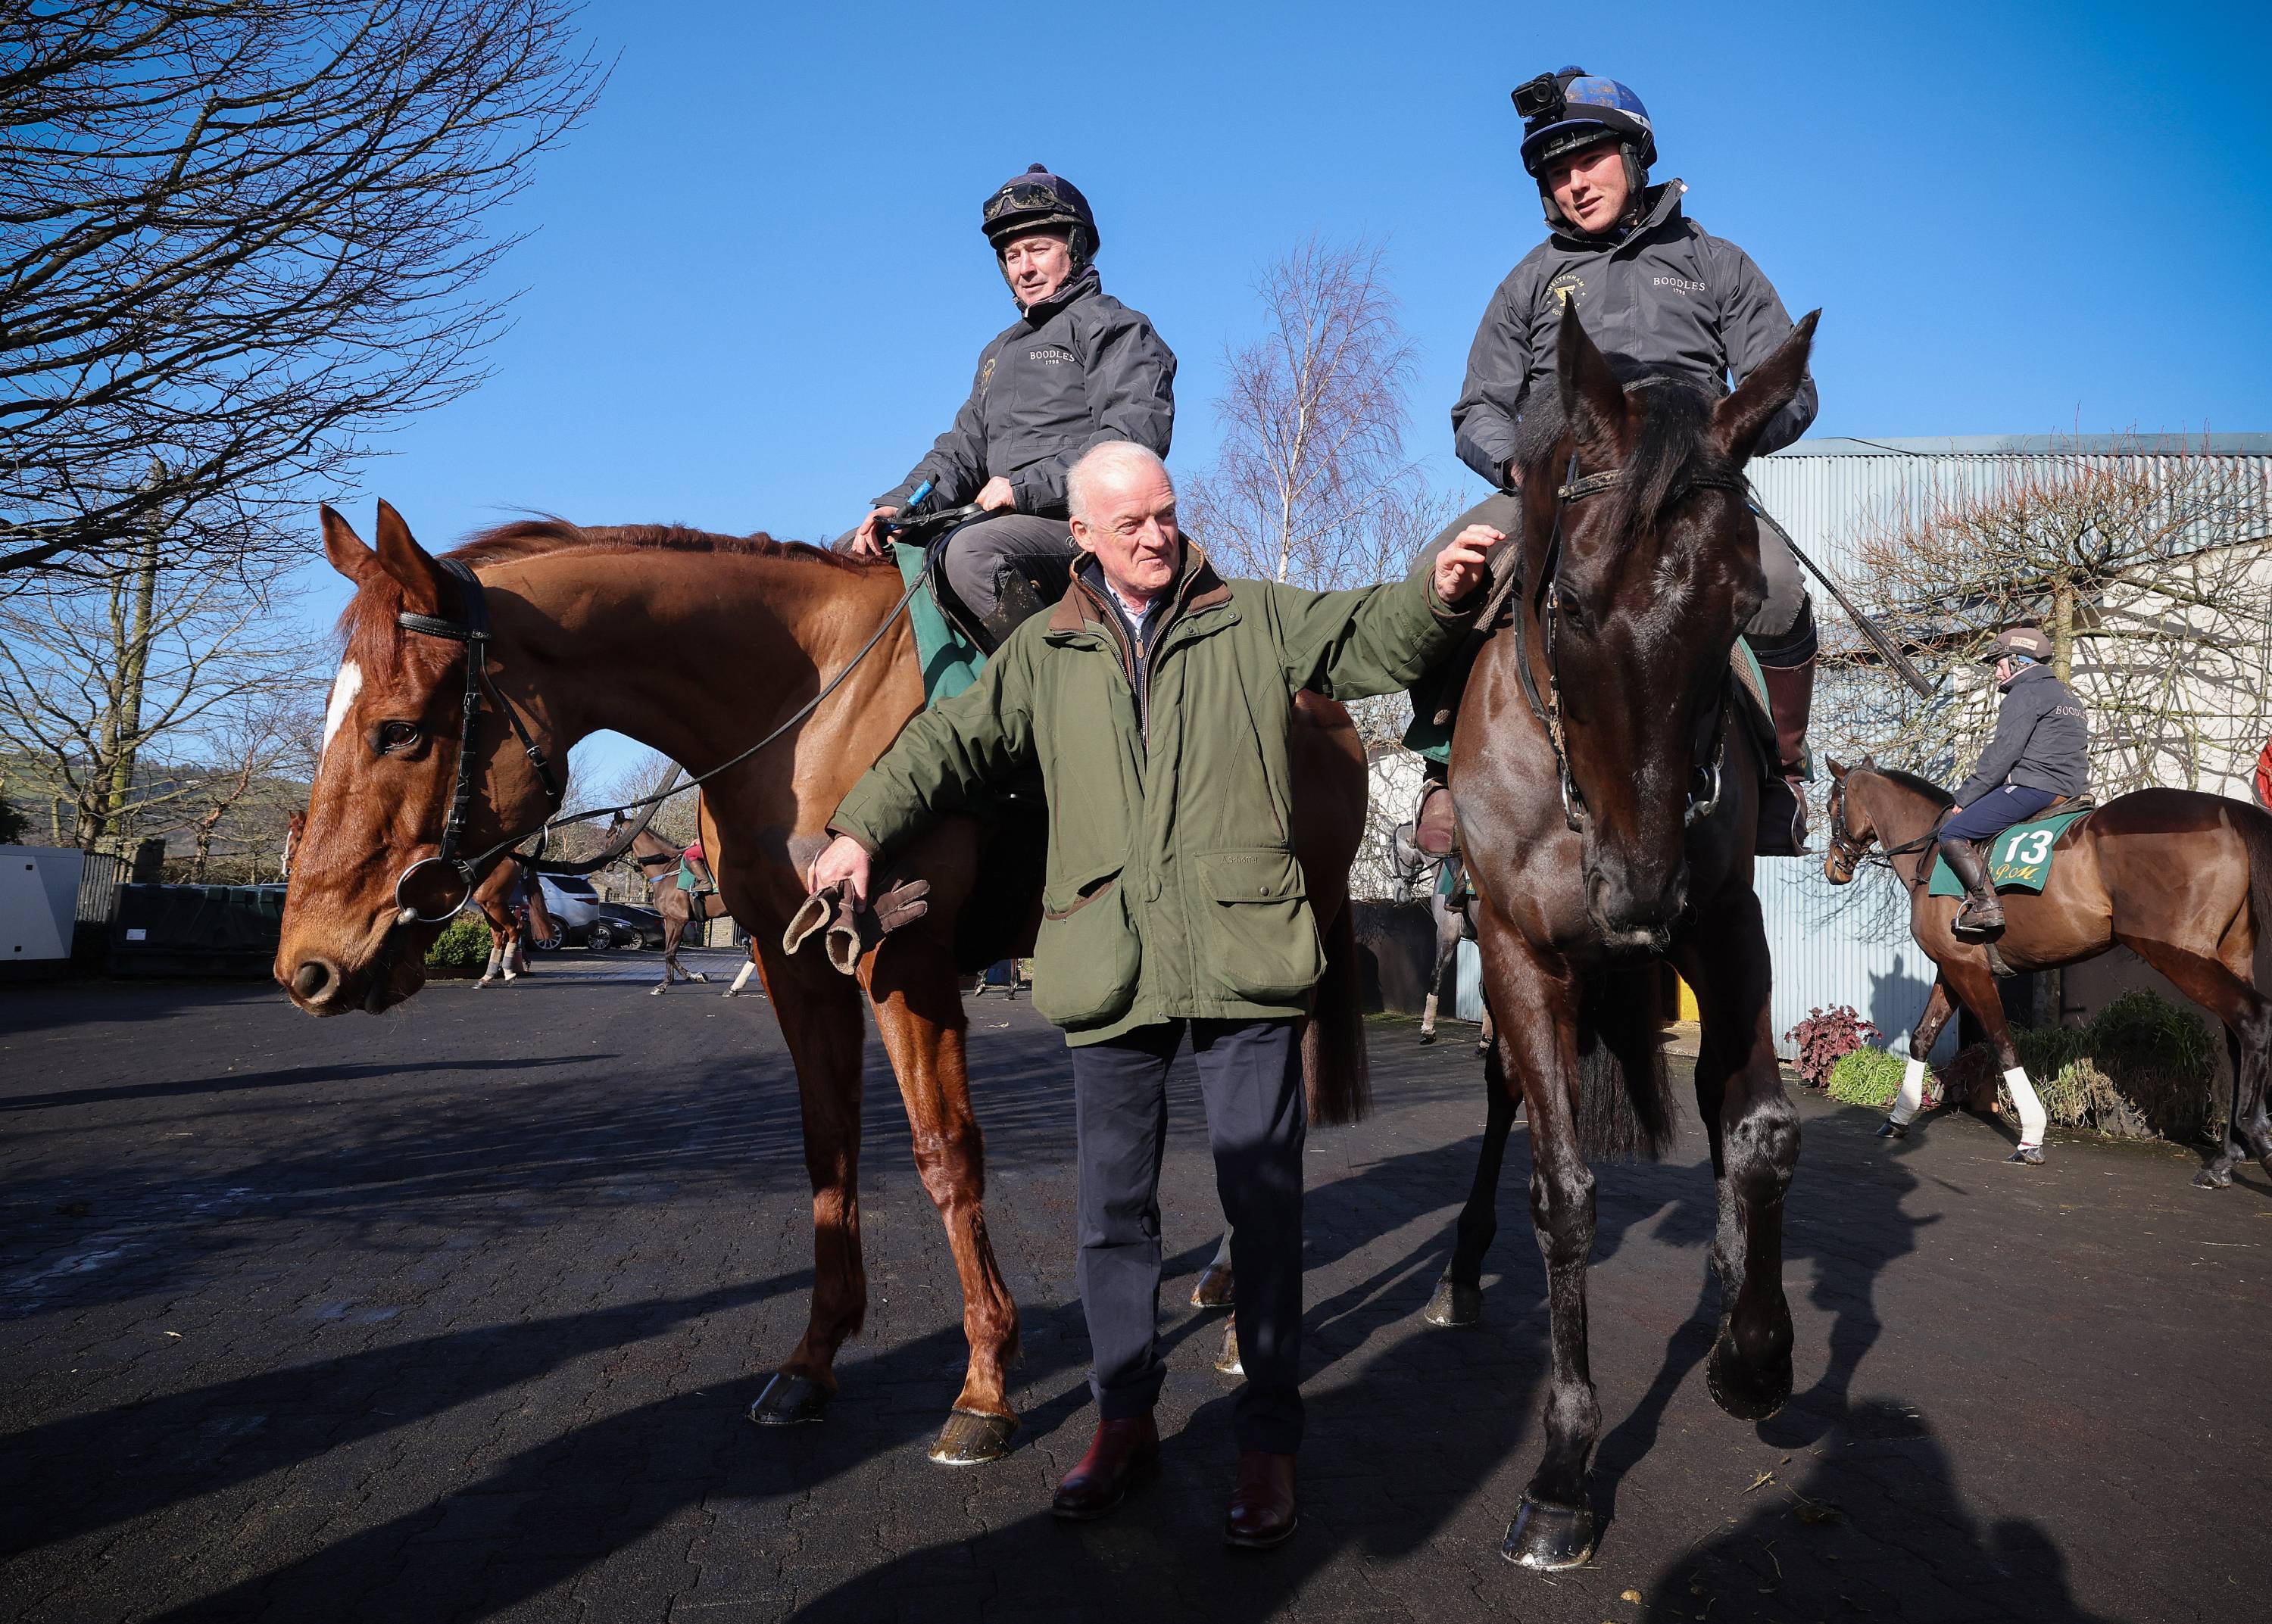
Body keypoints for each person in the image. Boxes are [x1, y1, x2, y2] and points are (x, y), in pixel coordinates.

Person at [809, 441, 1491, 1548]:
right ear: (1079, 537)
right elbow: (948, 742)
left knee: (1263, 1211)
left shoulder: (1255, 616)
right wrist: (855, 832)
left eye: (1165, 514)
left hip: (1239, 957)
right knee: (1111, 1219)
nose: (1154, 535)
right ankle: (1123, 1423)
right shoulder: (1043, 650)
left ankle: (1267, 1441)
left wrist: (1438, 592)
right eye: (1127, 522)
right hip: (1109, 963)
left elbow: (1371, 636)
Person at [1410, 67, 1821, 853]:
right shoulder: (1531, 282)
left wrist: (1728, 444)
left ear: (1635, 157)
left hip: (1686, 488)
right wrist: (1515, 471)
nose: (1574, 184)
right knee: (1440, 569)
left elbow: (1792, 390)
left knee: (1777, 587)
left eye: (1588, 160)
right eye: (1556, 173)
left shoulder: (1716, 263)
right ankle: (1438, 765)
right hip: (1560, 491)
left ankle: (1782, 772)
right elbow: (1477, 410)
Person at [845, 165, 1177, 648]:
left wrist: (1022, 490)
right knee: (855, 551)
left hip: (1086, 527)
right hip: (1001, 521)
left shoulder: (1116, 327)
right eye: (1012, 255)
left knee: (970, 555)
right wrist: (898, 505)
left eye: (1039, 249)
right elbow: (960, 451)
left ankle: (1055, 682)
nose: (1024, 268)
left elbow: (1132, 442)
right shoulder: (998, 352)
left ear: (1075, 248)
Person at [1936, 625, 2090, 940]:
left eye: (1999, 663)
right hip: (2072, 791)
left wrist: (1964, 797)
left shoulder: (2025, 693)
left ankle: (1985, 904)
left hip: (2034, 788)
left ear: (2019, 661)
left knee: (1952, 831)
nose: (1996, 673)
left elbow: (2002, 754)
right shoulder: (2069, 695)